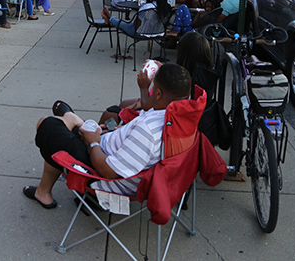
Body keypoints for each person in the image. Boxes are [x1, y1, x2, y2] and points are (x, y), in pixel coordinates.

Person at [23, 63, 193, 208]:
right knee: (61, 116)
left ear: (158, 94)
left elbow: (108, 172)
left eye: (153, 87)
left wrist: (93, 143)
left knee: (46, 124)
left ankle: (72, 121)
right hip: (108, 150)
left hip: (103, 175)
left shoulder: (148, 131)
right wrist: (113, 132)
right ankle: (74, 123)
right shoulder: (181, 117)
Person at [102, 0, 170, 39]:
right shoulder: (166, 7)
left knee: (123, 24)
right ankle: (110, 20)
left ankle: (110, 18)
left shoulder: (146, 8)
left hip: (141, 33)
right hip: (159, 32)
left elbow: (136, 25)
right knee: (125, 22)